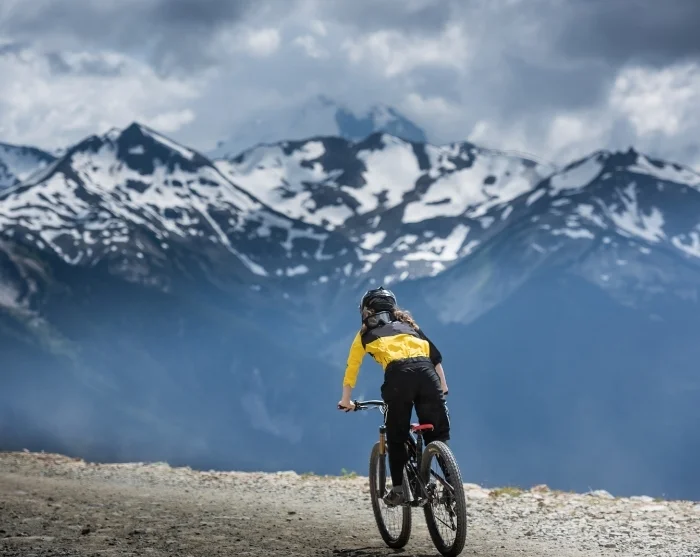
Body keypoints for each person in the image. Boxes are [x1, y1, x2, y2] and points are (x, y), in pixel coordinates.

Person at [337, 286, 451, 506]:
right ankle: (450, 484)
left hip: (399, 377)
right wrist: (443, 387)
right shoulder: (409, 326)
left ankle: (399, 488)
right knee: (436, 434)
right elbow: (435, 357)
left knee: (396, 434)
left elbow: (352, 367)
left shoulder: (364, 334)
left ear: (366, 311)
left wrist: (346, 400)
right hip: (428, 375)